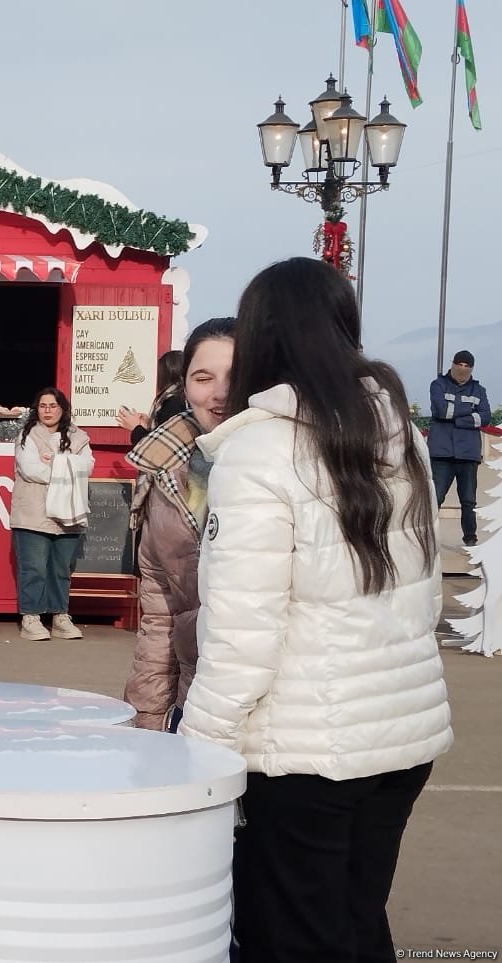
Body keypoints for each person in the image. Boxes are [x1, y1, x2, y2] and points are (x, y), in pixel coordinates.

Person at [180, 258, 452, 961]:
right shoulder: (402, 433)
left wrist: (200, 748)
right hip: (399, 738)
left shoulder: (261, 450)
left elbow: (242, 632)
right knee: (358, 922)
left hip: (305, 751)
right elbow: (429, 590)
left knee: (295, 936)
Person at [121, 318, 234, 731]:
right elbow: (159, 617)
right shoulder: (164, 467)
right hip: (194, 702)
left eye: (234, 377)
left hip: (274, 719)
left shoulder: (293, 464)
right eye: (203, 378)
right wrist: (148, 720)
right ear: (183, 386)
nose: (220, 393)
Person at [9, 387, 93, 641]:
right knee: (33, 568)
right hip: (34, 514)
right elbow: (31, 469)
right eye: (43, 406)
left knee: (61, 569)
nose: (48, 411)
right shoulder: (27, 436)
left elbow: (87, 466)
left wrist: (53, 462)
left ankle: (60, 616)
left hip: (69, 514)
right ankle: (31, 617)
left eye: (53, 406)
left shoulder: (79, 437)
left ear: (63, 409)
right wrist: (65, 466)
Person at [428, 349, 490, 546]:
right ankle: (426, 539)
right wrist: (469, 412)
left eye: (466, 366)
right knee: (434, 499)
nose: (462, 369)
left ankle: (470, 540)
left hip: (468, 455)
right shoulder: (438, 385)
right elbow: (440, 410)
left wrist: (456, 418)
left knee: (468, 501)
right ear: (452, 363)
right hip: (441, 454)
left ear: (471, 368)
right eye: (459, 365)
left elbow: (485, 417)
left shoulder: (479, 391)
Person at [114, 349, 186, 444]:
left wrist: (136, 428)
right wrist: (148, 424)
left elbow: (158, 448)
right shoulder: (183, 398)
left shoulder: (173, 403)